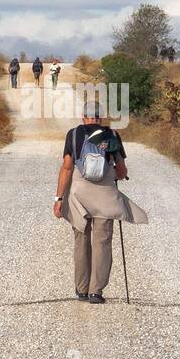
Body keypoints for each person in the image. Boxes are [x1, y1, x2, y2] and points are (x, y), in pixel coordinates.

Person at [53, 104, 148, 304]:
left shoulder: (74, 135)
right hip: (105, 194)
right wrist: (115, 173)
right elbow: (122, 171)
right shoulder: (111, 135)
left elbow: (67, 167)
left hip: (78, 194)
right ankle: (96, 291)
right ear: (101, 118)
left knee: (81, 241)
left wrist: (59, 198)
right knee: (102, 243)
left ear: (83, 118)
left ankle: (82, 289)